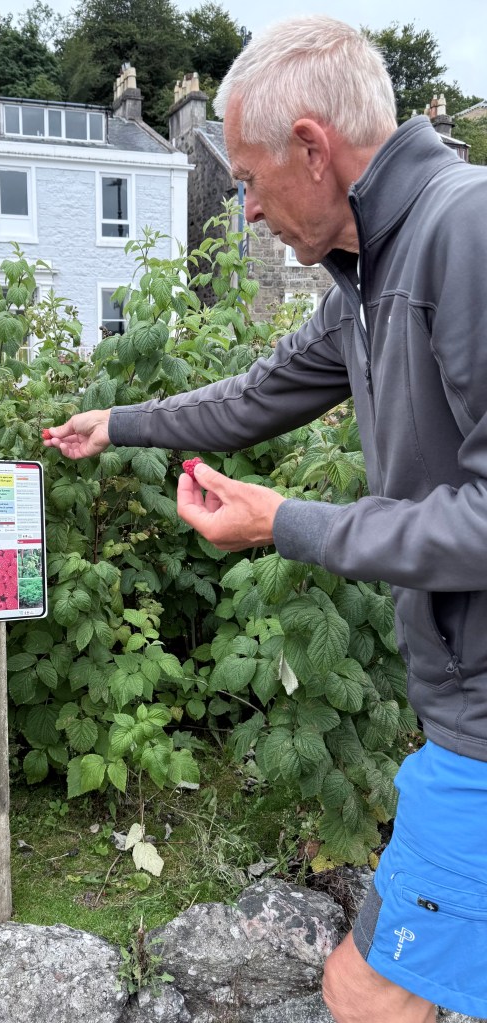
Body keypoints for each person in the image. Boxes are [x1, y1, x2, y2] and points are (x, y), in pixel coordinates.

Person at [44, 14, 487, 1023]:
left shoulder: (465, 232)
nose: (243, 206)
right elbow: (256, 394)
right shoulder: (369, 273)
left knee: (368, 991)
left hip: (482, 728)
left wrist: (290, 523)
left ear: (313, 148)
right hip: (463, 708)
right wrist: (119, 423)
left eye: (247, 178)